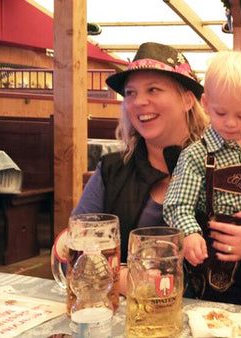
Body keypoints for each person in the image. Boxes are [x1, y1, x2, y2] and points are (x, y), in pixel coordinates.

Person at [72, 42, 209, 265]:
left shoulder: (223, 163)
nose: (138, 101)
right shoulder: (112, 169)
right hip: (133, 298)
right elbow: (72, 246)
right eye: (130, 93)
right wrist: (120, 279)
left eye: (153, 89)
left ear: (187, 100)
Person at [163, 51, 241, 308]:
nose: (230, 123)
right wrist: (191, 234)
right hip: (214, 257)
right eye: (221, 112)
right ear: (205, 104)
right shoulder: (196, 154)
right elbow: (176, 205)